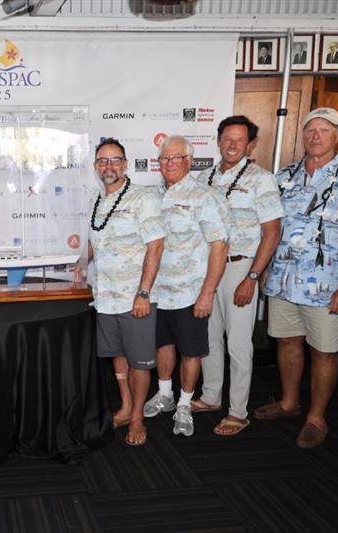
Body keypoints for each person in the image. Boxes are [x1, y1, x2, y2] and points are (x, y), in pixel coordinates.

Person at [254, 107, 338, 449]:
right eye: (310, 130)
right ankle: (288, 402)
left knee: (324, 352)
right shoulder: (284, 177)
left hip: (328, 288)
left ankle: (315, 417)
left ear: (337, 135)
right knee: (286, 342)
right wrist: (264, 270)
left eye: (323, 130)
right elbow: (270, 230)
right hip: (282, 281)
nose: (315, 136)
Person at [193, 116, 283, 436]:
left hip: (241, 268)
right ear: (218, 140)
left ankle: (237, 411)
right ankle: (211, 396)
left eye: (240, 140)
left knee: (239, 344)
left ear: (250, 145)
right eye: (227, 138)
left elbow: (272, 233)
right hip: (207, 270)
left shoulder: (262, 180)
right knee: (208, 337)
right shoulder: (203, 178)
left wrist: (252, 277)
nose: (232, 145)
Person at [143, 136, 229, 437]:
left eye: (175, 158)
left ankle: (184, 403)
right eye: (164, 159)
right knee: (162, 344)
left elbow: (219, 247)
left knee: (191, 352)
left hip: (190, 293)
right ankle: (165, 394)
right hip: (157, 291)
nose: (169, 164)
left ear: (189, 161)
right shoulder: (151, 195)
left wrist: (208, 292)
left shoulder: (204, 197)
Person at [85, 138, 164, 446]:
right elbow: (96, 238)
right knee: (117, 355)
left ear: (126, 164)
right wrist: (81, 264)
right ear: (95, 167)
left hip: (136, 298)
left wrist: (143, 293)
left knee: (139, 360)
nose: (109, 166)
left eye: (115, 160)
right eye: (103, 161)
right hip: (105, 296)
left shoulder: (143, 199)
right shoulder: (96, 199)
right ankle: (126, 405)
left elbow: (155, 245)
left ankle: (137, 418)